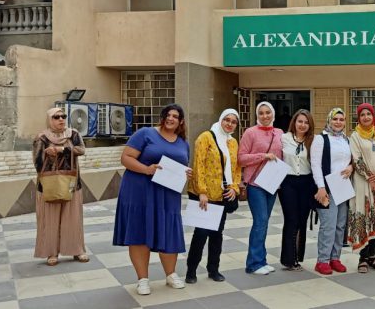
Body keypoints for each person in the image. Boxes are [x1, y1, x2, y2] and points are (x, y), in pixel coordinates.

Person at [113, 103, 192, 295]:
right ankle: (143, 279)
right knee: (139, 231)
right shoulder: (145, 133)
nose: (170, 118)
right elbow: (126, 158)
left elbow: (182, 164)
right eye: (167, 114)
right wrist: (147, 169)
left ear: (181, 121)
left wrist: (186, 174)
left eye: (175, 116)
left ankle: (171, 274)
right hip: (140, 190)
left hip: (168, 193)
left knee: (169, 230)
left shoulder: (183, 143)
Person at [185, 109, 241, 284]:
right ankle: (191, 271)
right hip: (204, 196)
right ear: (220, 119)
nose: (229, 124)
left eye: (233, 122)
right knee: (201, 234)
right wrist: (202, 191)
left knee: (217, 234)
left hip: (222, 195)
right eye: (227, 120)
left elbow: (236, 168)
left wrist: (234, 188)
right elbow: (198, 164)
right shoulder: (206, 137)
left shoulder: (233, 143)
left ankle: (213, 269)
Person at [32, 107, 88, 266]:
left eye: (63, 116)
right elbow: (37, 162)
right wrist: (50, 157)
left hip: (71, 183)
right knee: (50, 219)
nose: (61, 119)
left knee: (73, 218)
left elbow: (82, 150)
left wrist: (62, 149)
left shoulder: (73, 134)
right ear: (49, 120)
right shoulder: (41, 138)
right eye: (56, 117)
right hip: (50, 185)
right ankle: (51, 253)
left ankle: (77, 250)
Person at [238, 101, 284, 275]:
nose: (265, 116)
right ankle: (254, 263)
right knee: (260, 221)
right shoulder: (250, 133)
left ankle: (261, 259)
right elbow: (241, 158)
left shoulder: (279, 133)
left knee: (264, 223)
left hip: (272, 184)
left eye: (268, 112)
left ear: (273, 114)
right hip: (255, 184)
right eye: (261, 113)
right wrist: (263, 156)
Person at [348, 103, 375, 273]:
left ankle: (372, 256)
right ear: (358, 118)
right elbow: (356, 160)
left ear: (373, 116)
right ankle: (362, 258)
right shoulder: (355, 136)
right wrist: (370, 178)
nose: (366, 117)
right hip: (363, 182)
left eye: (369, 114)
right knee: (364, 214)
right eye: (362, 115)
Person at [310, 108, 354, 275]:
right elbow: (315, 165)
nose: (338, 122)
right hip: (327, 188)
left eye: (341, 119)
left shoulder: (346, 140)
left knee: (340, 225)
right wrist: (320, 187)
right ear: (329, 120)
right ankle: (322, 260)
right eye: (335, 119)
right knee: (328, 225)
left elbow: (351, 160)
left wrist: (351, 167)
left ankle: (335, 258)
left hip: (343, 186)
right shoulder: (321, 139)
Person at [278, 109, 317, 271]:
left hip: (307, 183)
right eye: (300, 121)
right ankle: (288, 259)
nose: (302, 125)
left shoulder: (314, 141)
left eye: (306, 122)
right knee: (291, 219)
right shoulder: (283, 138)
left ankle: (297, 257)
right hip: (288, 182)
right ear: (294, 122)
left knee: (302, 220)